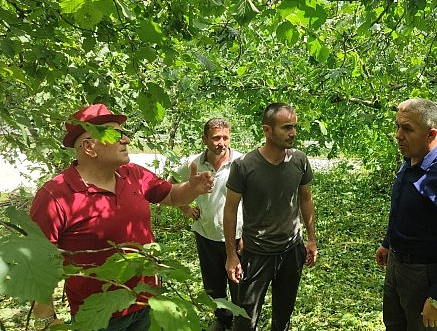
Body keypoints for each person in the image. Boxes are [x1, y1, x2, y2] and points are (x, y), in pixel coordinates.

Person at [29, 103, 214, 331]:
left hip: (146, 303)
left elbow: (172, 196)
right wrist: (46, 318)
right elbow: (36, 262)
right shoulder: (55, 196)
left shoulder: (134, 174)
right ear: (89, 146)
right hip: (99, 318)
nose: (126, 140)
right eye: (116, 134)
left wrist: (192, 188)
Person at [375, 98, 437, 330]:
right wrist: (388, 243)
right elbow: (401, 209)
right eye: (397, 126)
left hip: (422, 275)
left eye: (407, 129)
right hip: (396, 266)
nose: (398, 135)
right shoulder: (409, 161)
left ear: (431, 134)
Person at [223, 102, 318, 331]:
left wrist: (312, 239)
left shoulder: (299, 160)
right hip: (256, 253)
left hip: (291, 251)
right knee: (246, 320)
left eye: (294, 127)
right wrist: (231, 255)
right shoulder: (244, 166)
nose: (293, 133)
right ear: (267, 130)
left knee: (283, 316)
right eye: (286, 127)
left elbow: (305, 199)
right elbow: (230, 209)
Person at [169, 118, 243, 331]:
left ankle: (242, 321)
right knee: (213, 283)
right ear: (204, 139)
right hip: (206, 233)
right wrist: (185, 208)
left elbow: (257, 199)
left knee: (239, 282)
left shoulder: (242, 162)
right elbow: (170, 184)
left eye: (225, 137)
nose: (221, 142)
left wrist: (249, 233)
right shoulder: (194, 163)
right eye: (216, 138)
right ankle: (222, 318)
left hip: (238, 234)